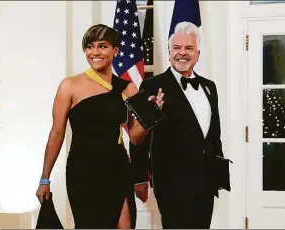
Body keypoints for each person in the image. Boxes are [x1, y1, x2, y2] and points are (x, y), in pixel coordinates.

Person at [35, 24, 164, 229]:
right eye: (90, 46)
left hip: (117, 168)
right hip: (83, 170)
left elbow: (135, 137)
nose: (95, 52)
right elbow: (57, 133)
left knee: (125, 225)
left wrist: (151, 116)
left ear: (115, 50)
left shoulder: (127, 87)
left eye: (102, 46)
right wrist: (45, 179)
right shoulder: (69, 85)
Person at [137, 21, 230, 228]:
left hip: (205, 180)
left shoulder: (209, 87)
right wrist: (139, 177)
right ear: (169, 52)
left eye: (189, 48)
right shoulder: (152, 86)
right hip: (171, 181)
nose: (182, 54)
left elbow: (214, 133)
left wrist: (218, 172)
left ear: (198, 53)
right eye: (177, 48)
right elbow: (140, 138)